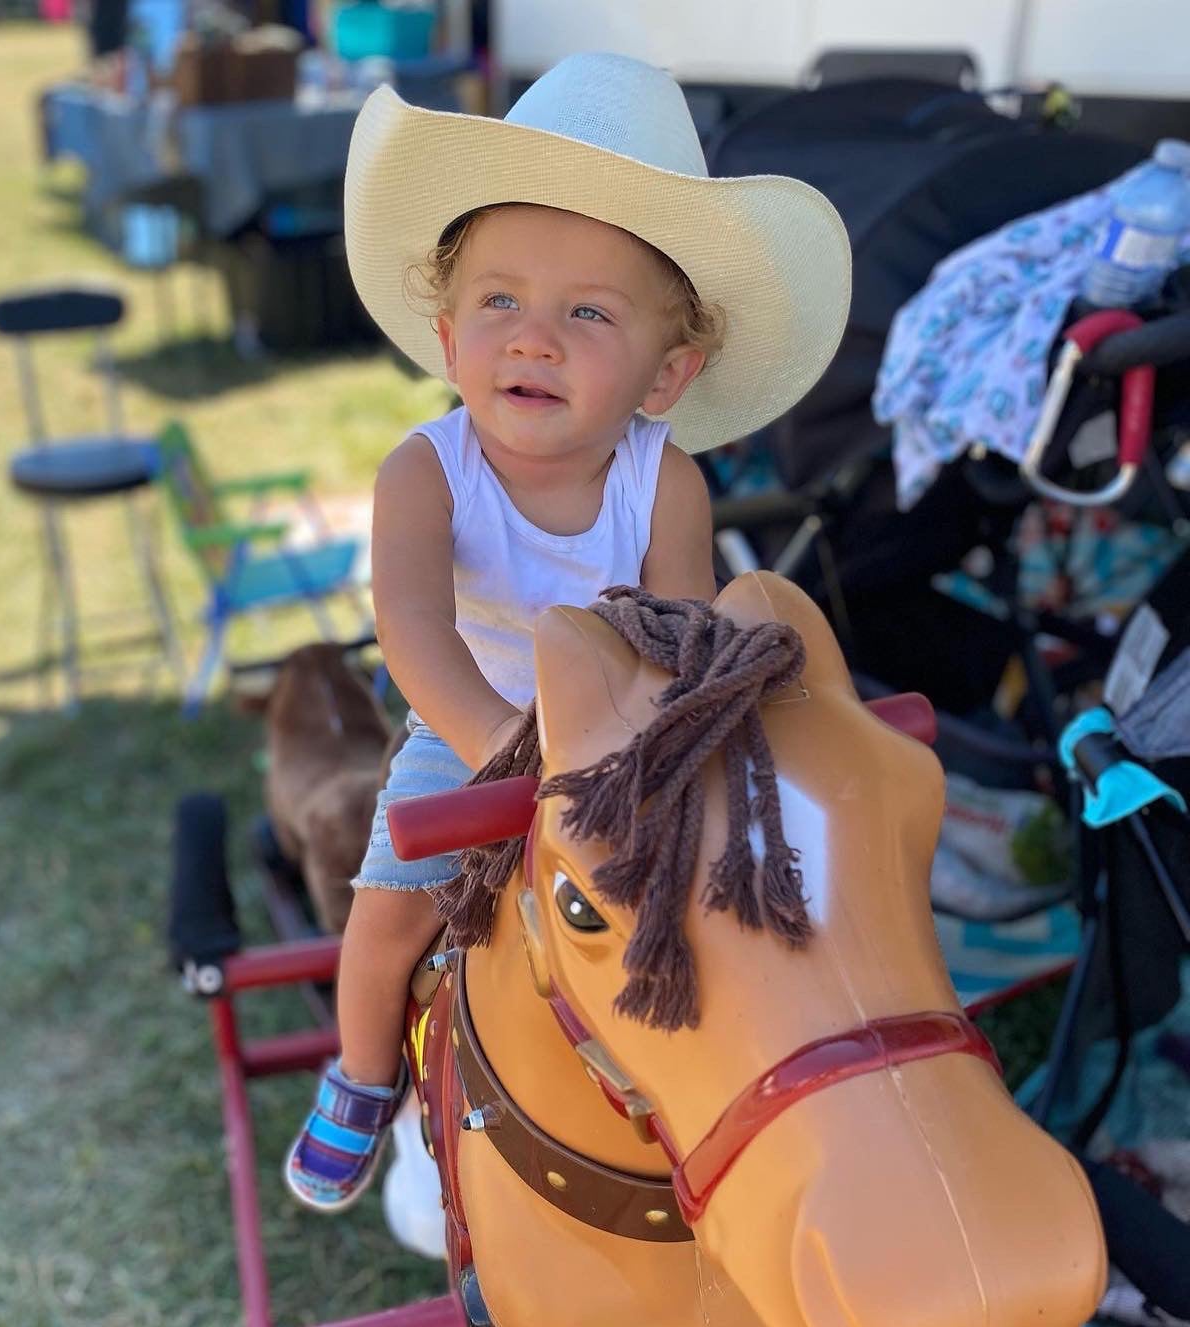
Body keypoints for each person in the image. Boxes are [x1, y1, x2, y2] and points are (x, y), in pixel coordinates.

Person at [285, 50, 851, 1211]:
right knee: (390, 908)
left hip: (621, 739)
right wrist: (502, 744)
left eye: (587, 312)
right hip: (470, 727)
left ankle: (730, 1078)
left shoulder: (667, 481)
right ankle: (359, 1071)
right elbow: (414, 631)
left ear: (665, 372)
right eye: (500, 301)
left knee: (726, 892)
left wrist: (639, 758)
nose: (532, 338)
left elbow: (680, 639)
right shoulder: (425, 472)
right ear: (448, 340)